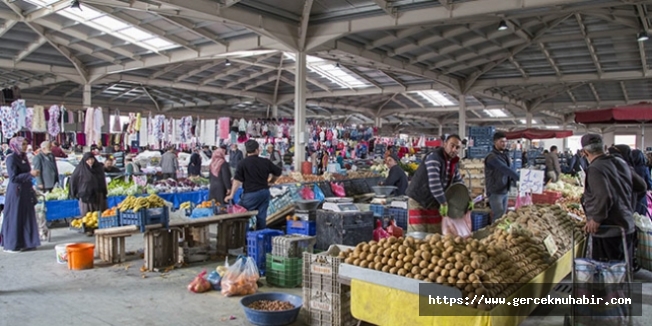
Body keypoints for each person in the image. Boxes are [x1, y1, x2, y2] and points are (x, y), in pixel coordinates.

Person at [580, 134, 642, 265]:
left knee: (607, 274)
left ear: (585, 152)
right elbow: (641, 186)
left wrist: (597, 219)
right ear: (605, 147)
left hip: (609, 231)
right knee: (622, 271)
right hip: (627, 225)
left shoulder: (595, 168)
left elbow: (605, 196)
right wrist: (627, 204)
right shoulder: (621, 162)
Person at [405, 135, 467, 233]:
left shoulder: (452, 162)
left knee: (435, 234)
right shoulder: (434, 157)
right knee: (418, 233)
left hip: (434, 201)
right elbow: (434, 183)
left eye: (457, 147)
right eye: (452, 145)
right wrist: (443, 202)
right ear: (445, 144)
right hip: (419, 199)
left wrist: (467, 199)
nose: (454, 149)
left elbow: (458, 182)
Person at [224, 140, 282, 230]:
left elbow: (237, 181)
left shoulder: (242, 163)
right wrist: (271, 181)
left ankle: (244, 238)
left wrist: (231, 194)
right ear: (257, 150)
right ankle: (261, 237)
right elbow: (278, 172)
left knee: (243, 214)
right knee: (262, 218)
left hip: (250, 194)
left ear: (247, 151)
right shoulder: (265, 161)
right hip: (264, 193)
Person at [0, 137, 41, 253]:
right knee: (15, 216)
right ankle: (13, 244)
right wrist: (29, 174)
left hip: (26, 191)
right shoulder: (11, 159)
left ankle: (27, 242)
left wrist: (31, 176)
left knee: (27, 216)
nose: (25, 146)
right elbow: (13, 178)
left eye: (25, 144)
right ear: (15, 145)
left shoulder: (23, 157)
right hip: (16, 192)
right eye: (22, 144)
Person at [484, 132, 520, 221]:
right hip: (495, 191)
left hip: (504, 190)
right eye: (501, 142)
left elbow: (510, 169)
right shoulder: (491, 157)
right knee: (498, 215)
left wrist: (516, 182)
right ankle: (493, 234)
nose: (504, 144)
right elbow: (504, 169)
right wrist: (520, 178)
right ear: (495, 142)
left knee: (503, 216)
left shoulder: (505, 155)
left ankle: (498, 233)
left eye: (505, 141)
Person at [69, 152, 108, 217]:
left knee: (98, 214)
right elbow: (73, 180)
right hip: (86, 196)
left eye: (92, 159)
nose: (90, 161)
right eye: (88, 159)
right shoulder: (80, 169)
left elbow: (102, 180)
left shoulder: (98, 168)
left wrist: (104, 192)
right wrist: (75, 193)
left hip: (98, 195)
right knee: (87, 216)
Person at [631, 149, 652, 216]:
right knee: (640, 219)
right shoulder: (644, 169)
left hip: (630, 196)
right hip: (641, 197)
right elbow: (649, 184)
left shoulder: (628, 168)